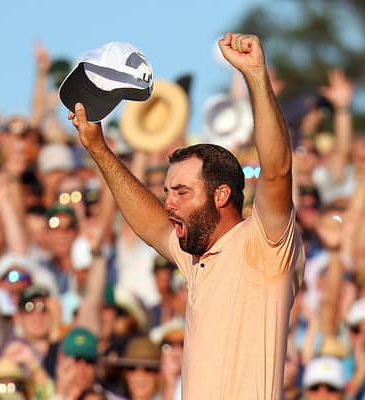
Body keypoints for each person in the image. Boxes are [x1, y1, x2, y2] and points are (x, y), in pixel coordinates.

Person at [70, 32, 304, 399]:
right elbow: (150, 224)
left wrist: (256, 76)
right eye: (167, 192)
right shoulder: (195, 256)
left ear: (221, 195)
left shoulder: (265, 246)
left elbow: (276, 171)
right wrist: (98, 149)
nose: (169, 203)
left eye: (182, 192)